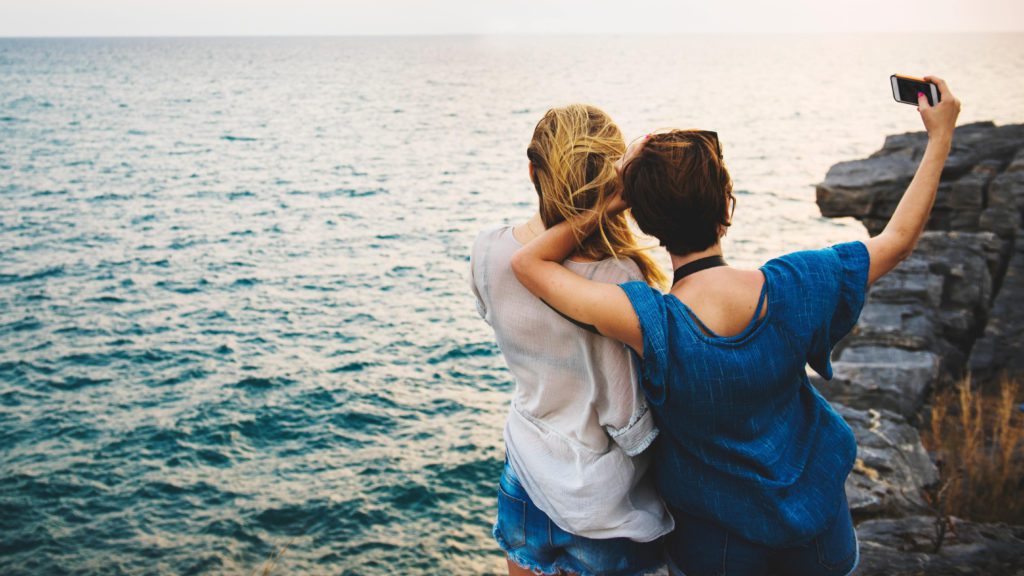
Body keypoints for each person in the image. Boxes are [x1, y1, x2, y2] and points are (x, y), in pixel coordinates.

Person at [510, 78, 961, 575]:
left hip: (715, 550)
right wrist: (940, 136)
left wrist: (611, 202)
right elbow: (896, 240)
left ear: (647, 224)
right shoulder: (796, 285)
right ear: (727, 206)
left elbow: (529, 264)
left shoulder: (650, 321)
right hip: (818, 533)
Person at [470, 104, 674, 576]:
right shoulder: (621, 277)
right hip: (605, 505)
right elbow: (629, 420)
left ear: (532, 171)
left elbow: (493, 313)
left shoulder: (488, 250)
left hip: (524, 474)